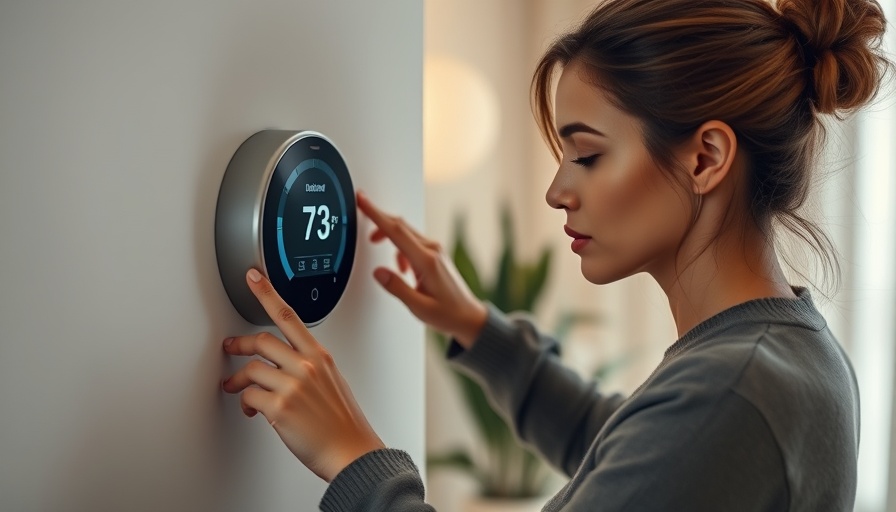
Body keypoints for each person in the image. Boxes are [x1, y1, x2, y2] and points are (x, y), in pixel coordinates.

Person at [221, 0, 892, 509]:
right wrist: (476, 328)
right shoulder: (786, 360)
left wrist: (353, 456)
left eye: (588, 155)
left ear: (706, 157)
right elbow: (625, 451)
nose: (555, 191)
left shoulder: (735, 392)